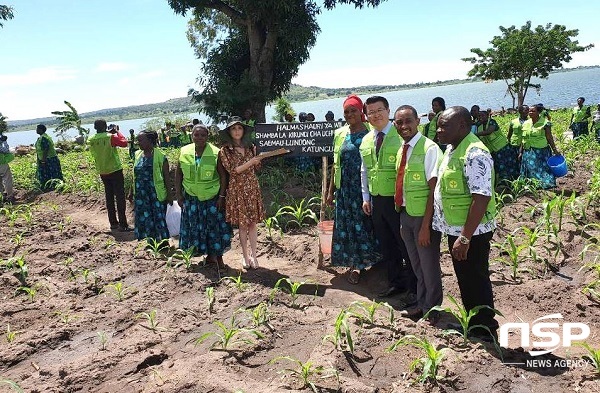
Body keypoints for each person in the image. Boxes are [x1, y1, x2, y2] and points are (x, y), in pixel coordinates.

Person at [434, 106, 499, 342]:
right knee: (466, 278)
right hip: (459, 228)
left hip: (471, 232)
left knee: (475, 278)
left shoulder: (475, 153)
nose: (439, 130)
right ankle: (475, 325)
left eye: (445, 126)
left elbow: (481, 197)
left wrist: (464, 238)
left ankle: (485, 329)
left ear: (462, 126)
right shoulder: (453, 148)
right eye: (438, 125)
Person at [360, 96, 416, 299]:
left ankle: (414, 289)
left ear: (388, 111)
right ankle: (396, 283)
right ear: (366, 116)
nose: (375, 115)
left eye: (379, 110)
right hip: (377, 200)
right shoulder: (367, 139)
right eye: (371, 112)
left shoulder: (400, 135)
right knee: (387, 245)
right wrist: (366, 197)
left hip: (399, 200)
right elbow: (364, 170)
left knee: (406, 245)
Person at [393, 105, 442, 319]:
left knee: (429, 267)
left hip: (424, 218)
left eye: (408, 121)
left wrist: (425, 226)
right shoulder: (402, 149)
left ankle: (433, 309)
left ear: (417, 122)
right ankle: (422, 303)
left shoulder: (429, 148)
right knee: (416, 265)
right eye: (399, 122)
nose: (404, 126)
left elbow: (434, 190)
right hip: (406, 214)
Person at [326, 95, 380, 284]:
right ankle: (355, 264)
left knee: (366, 224)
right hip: (345, 189)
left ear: (361, 111)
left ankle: (373, 260)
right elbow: (335, 163)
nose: (350, 114)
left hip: (364, 189)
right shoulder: (340, 134)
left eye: (353, 110)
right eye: (347, 111)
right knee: (348, 226)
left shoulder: (371, 133)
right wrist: (332, 189)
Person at [175, 124, 232, 266]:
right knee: (195, 227)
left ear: (207, 137)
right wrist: (179, 195)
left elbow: (223, 176)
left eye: (203, 135)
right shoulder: (184, 151)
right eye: (196, 135)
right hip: (191, 197)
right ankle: (207, 257)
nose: (199, 138)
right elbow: (178, 174)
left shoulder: (215, 152)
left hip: (211, 198)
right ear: (191, 136)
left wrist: (222, 197)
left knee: (214, 227)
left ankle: (217, 258)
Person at [219, 116, 265, 269]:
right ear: (229, 132)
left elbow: (257, 169)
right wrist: (251, 162)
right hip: (237, 189)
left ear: (243, 131)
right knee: (242, 225)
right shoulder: (225, 151)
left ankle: (254, 256)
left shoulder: (251, 147)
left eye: (239, 128)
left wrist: (259, 157)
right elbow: (233, 170)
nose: (237, 131)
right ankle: (245, 256)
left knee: (252, 223)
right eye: (233, 128)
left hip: (252, 188)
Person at [88, 119, 130, 231]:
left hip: (102, 170)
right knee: (120, 197)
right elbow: (124, 143)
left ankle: (113, 223)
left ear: (95, 127)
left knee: (109, 197)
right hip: (115, 169)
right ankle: (123, 224)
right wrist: (117, 132)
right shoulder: (110, 137)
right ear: (106, 126)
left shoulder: (91, 139)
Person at [132, 130, 173, 242]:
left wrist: (170, 195)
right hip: (141, 193)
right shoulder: (137, 155)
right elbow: (135, 175)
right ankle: (150, 242)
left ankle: (162, 242)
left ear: (150, 141)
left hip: (155, 193)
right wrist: (132, 192)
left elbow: (166, 178)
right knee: (145, 218)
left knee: (158, 217)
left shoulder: (161, 156)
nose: (138, 143)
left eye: (140, 140)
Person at [520, 105, 560, 189]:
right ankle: (533, 184)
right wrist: (520, 151)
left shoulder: (545, 123)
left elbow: (549, 137)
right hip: (528, 150)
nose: (530, 113)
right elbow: (523, 138)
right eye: (529, 111)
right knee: (531, 168)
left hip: (541, 150)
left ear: (538, 112)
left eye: (533, 111)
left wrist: (555, 150)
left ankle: (546, 184)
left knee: (542, 169)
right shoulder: (526, 123)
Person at [475, 110, 519, 183]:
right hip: (493, 150)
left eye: (482, 115)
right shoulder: (479, 125)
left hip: (502, 147)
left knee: (507, 165)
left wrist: (475, 134)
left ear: (487, 116)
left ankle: (511, 181)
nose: (480, 117)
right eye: (479, 116)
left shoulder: (492, 122)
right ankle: (501, 182)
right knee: (498, 167)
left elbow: (488, 131)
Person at [35, 124, 64, 191]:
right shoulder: (44, 137)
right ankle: (51, 186)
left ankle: (52, 187)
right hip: (48, 158)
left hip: (48, 159)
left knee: (50, 173)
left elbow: (46, 149)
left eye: (37, 129)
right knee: (51, 172)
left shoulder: (44, 138)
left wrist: (43, 160)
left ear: (41, 130)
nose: (36, 130)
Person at [0, 133, 15, 204]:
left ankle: (2, 196)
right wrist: (4, 141)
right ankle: (9, 196)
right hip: (1, 163)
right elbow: (5, 150)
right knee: (7, 179)